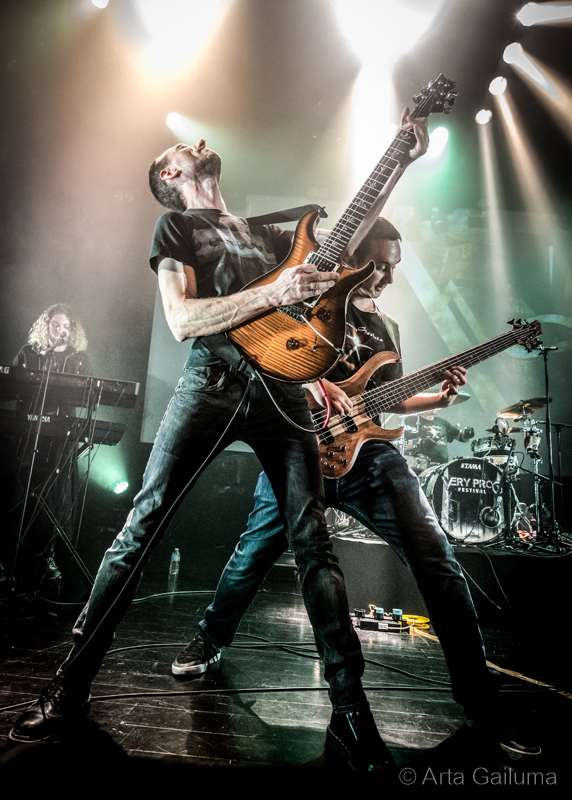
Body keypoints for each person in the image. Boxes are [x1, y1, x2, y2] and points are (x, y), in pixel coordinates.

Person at [9, 114, 430, 773]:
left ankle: (351, 714)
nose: (199, 142)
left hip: (282, 393)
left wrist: (400, 157)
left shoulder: (268, 231)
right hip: (211, 383)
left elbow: (349, 230)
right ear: (170, 174)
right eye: (182, 147)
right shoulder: (175, 228)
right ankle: (69, 686)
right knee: (142, 526)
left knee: (314, 544)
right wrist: (275, 291)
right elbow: (182, 319)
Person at [173, 218, 540, 762]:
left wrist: (437, 400)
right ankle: (211, 635)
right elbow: (270, 355)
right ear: (355, 258)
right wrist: (313, 383)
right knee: (251, 555)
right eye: (381, 265)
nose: (388, 276)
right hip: (298, 445)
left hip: (369, 457)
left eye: (395, 267)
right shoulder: (312, 300)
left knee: (437, 559)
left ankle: (482, 702)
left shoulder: (387, 326)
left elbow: (387, 398)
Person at [1, 304, 91, 603]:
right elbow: (10, 385)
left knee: (52, 500)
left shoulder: (79, 360)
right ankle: (7, 559)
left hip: (59, 441)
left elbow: (85, 395)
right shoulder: (29, 353)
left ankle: (46, 561)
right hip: (24, 438)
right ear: (46, 325)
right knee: (15, 495)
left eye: (66, 326)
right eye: (55, 324)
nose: (60, 330)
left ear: (72, 330)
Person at [404, 407, 474, 469]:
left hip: (442, 467)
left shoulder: (442, 422)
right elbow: (403, 445)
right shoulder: (411, 420)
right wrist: (422, 442)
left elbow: (462, 437)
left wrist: (467, 435)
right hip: (420, 467)